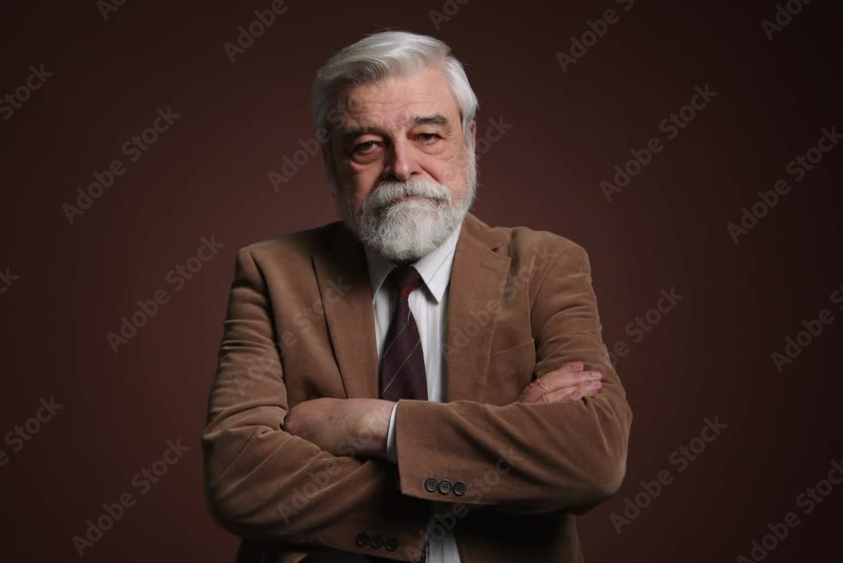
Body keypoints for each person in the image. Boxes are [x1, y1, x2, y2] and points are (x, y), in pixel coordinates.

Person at [202, 30, 632, 563]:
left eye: (428, 136)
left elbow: (591, 458)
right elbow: (238, 477)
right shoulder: (273, 273)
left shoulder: (547, 266)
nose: (401, 167)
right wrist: (496, 459)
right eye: (366, 145)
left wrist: (374, 426)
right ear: (331, 160)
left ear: (470, 140)